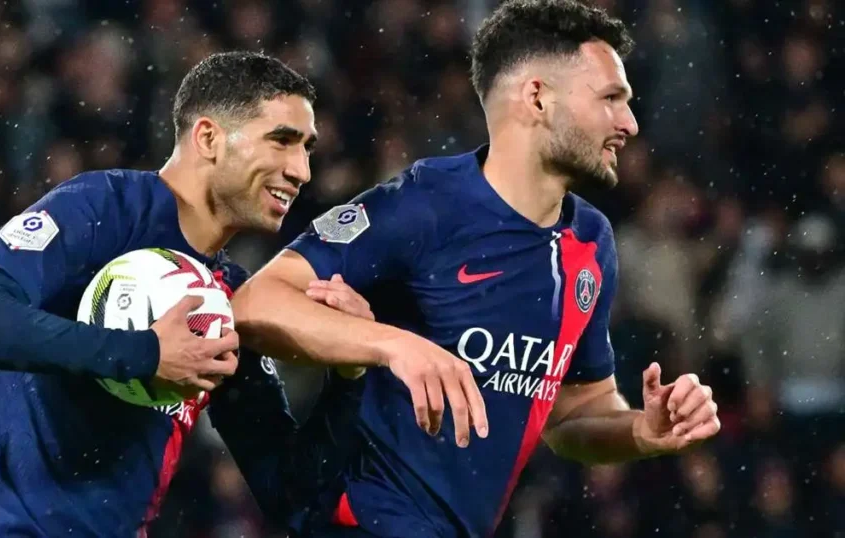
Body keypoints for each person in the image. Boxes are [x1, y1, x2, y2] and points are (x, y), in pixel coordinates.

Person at [232, 2, 722, 537]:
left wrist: (642, 431)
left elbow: (573, 415)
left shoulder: (591, 241)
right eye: (610, 99)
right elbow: (255, 304)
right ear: (537, 98)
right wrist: (392, 344)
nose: (629, 123)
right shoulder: (424, 204)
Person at [0, 51, 370, 538]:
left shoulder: (230, 300)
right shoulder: (104, 210)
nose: (301, 170)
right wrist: (146, 354)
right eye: (282, 141)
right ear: (208, 138)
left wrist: (349, 373)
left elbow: (294, 498)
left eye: (307, 148)